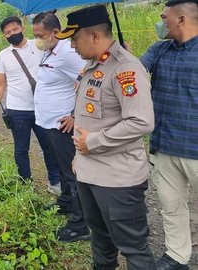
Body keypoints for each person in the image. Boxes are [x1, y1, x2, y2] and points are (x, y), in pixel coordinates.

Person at [55, 5, 156, 269]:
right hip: (89, 173)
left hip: (117, 179)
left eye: (75, 40)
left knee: (133, 249)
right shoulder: (91, 65)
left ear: (95, 36)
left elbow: (141, 121)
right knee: (100, 241)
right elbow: (87, 117)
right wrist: (79, 155)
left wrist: (93, 142)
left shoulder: (126, 69)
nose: (73, 46)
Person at [140, 0, 198, 269]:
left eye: (164, 17)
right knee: (170, 205)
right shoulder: (159, 49)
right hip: (164, 144)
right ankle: (177, 256)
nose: (160, 23)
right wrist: (123, 58)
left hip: (195, 146)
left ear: (182, 19)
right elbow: (135, 74)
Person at [31, 11, 88, 242]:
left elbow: (88, 81)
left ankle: (80, 224)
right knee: (62, 167)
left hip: (62, 124)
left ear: (55, 32)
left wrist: (75, 115)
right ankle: (65, 203)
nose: (37, 39)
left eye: (40, 34)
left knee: (71, 172)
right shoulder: (49, 51)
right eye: (34, 34)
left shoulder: (67, 53)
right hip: (48, 122)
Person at [0, 16, 61, 189]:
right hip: (17, 109)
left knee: (49, 146)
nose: (12, 33)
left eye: (14, 29)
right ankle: (25, 183)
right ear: (4, 36)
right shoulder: (3, 56)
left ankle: (55, 181)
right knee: (21, 149)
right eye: (7, 32)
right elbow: (0, 84)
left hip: (42, 108)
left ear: (22, 28)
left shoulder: (39, 46)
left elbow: (60, 54)